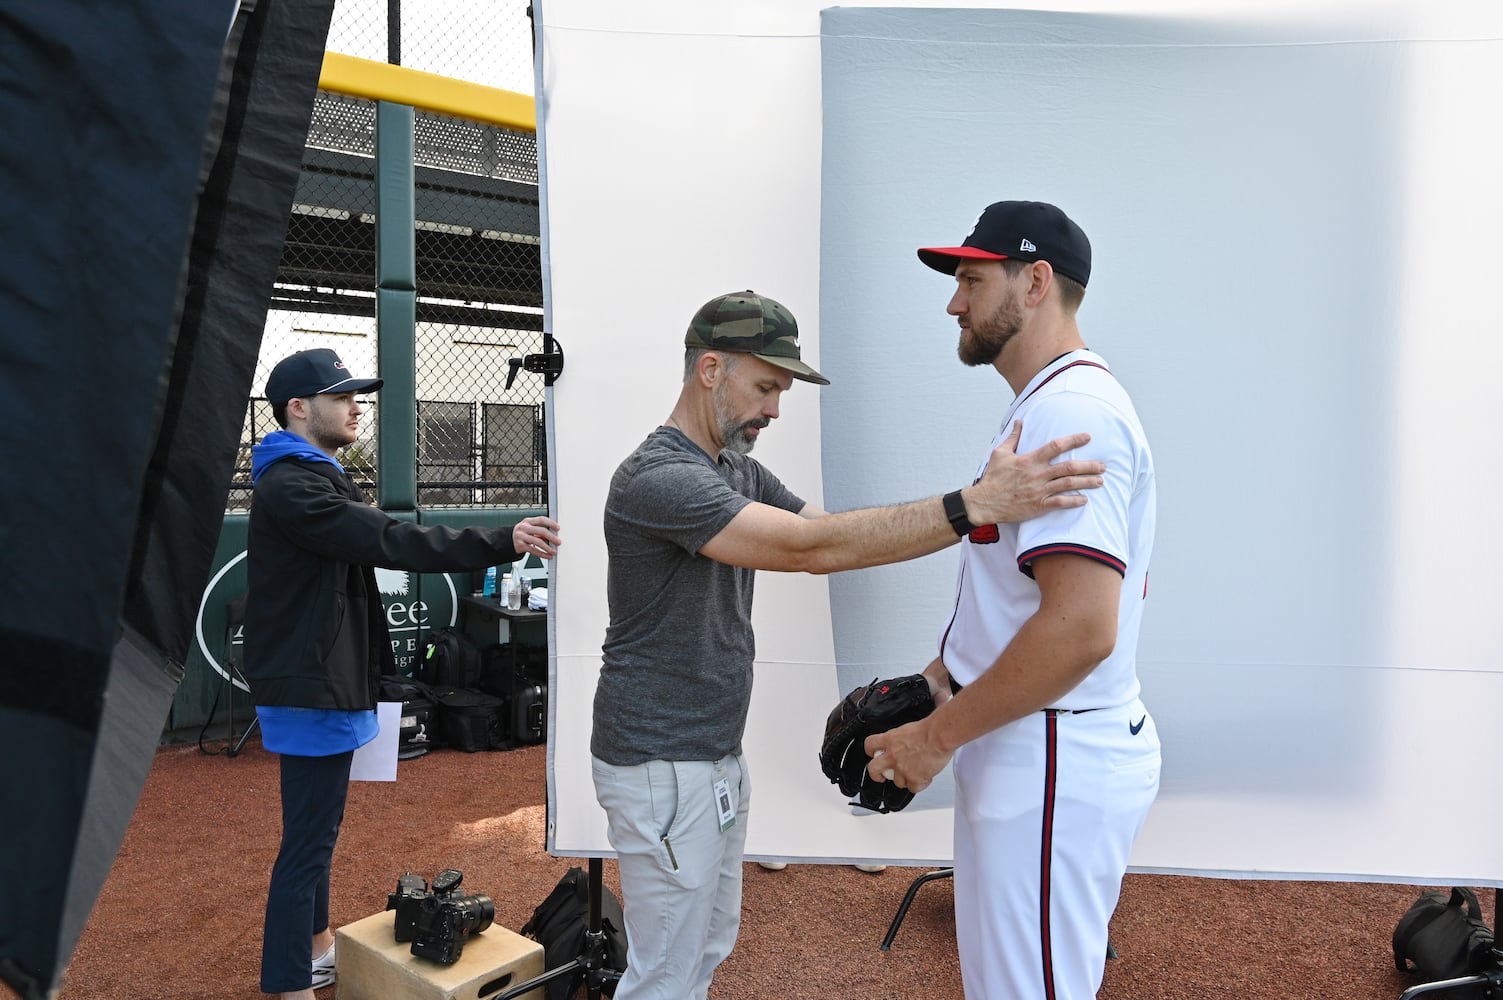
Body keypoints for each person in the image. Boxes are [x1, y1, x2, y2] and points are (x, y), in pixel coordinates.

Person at [590, 289, 1108, 1000]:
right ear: (710, 369)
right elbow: (814, 549)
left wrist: (948, 656)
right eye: (766, 385)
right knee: (663, 971)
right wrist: (974, 504)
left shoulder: (734, 468)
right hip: (658, 759)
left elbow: (833, 530)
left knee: (704, 945)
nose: (775, 408)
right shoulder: (659, 479)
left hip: (707, 752)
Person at [865, 201, 1161, 999]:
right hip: (1033, 741)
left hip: (1052, 750)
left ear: (1034, 283)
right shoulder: (1046, 401)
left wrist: (935, 738)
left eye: (969, 277)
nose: (953, 302)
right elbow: (1020, 601)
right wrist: (937, 680)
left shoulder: (1071, 412)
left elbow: (1078, 630)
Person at [242, 348, 561, 1000]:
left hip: (321, 682)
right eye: (342, 395)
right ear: (299, 408)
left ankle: (317, 950)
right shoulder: (292, 484)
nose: (357, 404)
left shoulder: (309, 475)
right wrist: (505, 538)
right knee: (306, 842)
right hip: (310, 687)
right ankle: (286, 986)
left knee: (316, 834)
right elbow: (391, 540)